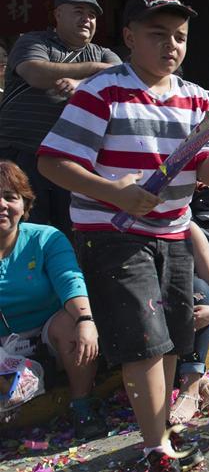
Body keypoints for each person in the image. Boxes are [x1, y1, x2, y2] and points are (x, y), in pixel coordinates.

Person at [37, 0, 209, 472]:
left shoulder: (196, 99)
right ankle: (157, 450)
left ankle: (159, 435)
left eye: (180, 36)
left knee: (171, 337)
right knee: (145, 339)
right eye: (157, 35)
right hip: (113, 234)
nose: (171, 45)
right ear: (129, 38)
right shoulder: (102, 91)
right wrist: (115, 193)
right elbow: (53, 162)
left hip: (172, 233)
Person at [0, 0, 122, 233]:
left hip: (73, 160)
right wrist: (97, 71)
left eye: (92, 15)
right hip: (22, 151)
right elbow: (35, 73)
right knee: (21, 230)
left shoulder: (102, 52)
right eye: (79, 12)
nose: (87, 19)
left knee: (70, 231)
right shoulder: (34, 42)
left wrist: (81, 84)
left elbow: (122, 78)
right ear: (58, 14)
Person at [0, 161, 102, 438]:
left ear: (24, 204)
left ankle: (82, 406)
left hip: (47, 337)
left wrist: (85, 319)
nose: (2, 205)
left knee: (73, 324)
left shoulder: (46, 238)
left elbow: (70, 280)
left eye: (10, 197)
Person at [168, 222, 209, 425]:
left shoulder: (186, 227)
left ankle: (190, 385)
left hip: (179, 329)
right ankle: (190, 380)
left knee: (198, 290)